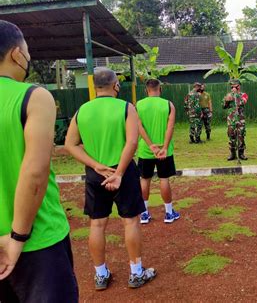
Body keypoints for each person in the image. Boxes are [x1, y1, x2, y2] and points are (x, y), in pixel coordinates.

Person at [0, 20, 78, 302]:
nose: (29, 58)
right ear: (16, 54)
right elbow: (35, 173)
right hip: (38, 242)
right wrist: (17, 238)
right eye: (27, 51)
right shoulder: (33, 96)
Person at [65, 67, 156, 290]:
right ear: (116, 85)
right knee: (131, 221)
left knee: (96, 225)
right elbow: (132, 143)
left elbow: (70, 144)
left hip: (96, 174)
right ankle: (136, 273)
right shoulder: (126, 108)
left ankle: (100, 275)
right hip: (122, 173)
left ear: (95, 87)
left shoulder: (82, 110)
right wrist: (119, 173)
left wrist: (96, 165)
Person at [136, 79, 180, 225]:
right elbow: (170, 127)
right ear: (160, 89)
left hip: (145, 150)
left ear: (146, 90)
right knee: (164, 179)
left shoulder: (138, 105)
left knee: (144, 180)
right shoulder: (168, 105)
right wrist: (164, 147)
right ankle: (168, 213)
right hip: (164, 151)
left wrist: (150, 146)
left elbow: (139, 127)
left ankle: (144, 214)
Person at [223, 79, 248, 160]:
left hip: (240, 119)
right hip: (231, 119)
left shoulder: (243, 95)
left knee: (241, 136)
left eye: (235, 86)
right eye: (232, 87)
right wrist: (226, 101)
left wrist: (235, 95)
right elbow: (223, 106)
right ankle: (232, 154)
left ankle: (241, 154)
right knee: (231, 136)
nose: (233, 88)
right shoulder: (228, 95)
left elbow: (242, 102)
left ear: (239, 86)